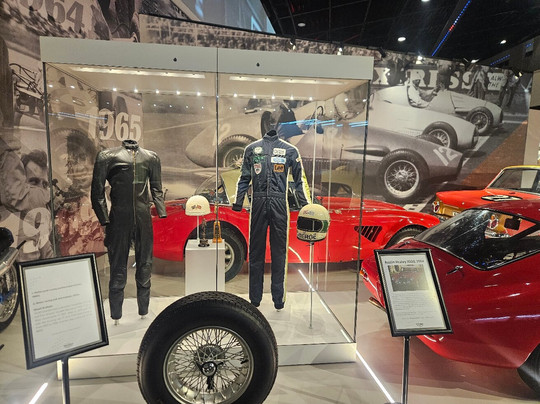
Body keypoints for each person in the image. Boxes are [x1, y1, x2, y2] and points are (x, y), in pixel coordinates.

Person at [232, 129, 311, 310]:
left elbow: (299, 179)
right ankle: (255, 299)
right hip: (258, 203)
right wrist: (238, 201)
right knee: (256, 252)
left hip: (279, 203)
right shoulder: (252, 149)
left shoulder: (290, 150)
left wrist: (304, 204)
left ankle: (278, 299)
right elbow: (244, 178)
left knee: (279, 253)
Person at [91, 139, 166, 323]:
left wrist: (161, 210)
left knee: (145, 267)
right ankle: (116, 315)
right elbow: (97, 191)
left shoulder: (151, 157)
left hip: (143, 218)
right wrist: (104, 218)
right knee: (118, 270)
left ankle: (144, 310)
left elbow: (156, 188)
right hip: (118, 219)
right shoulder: (107, 157)